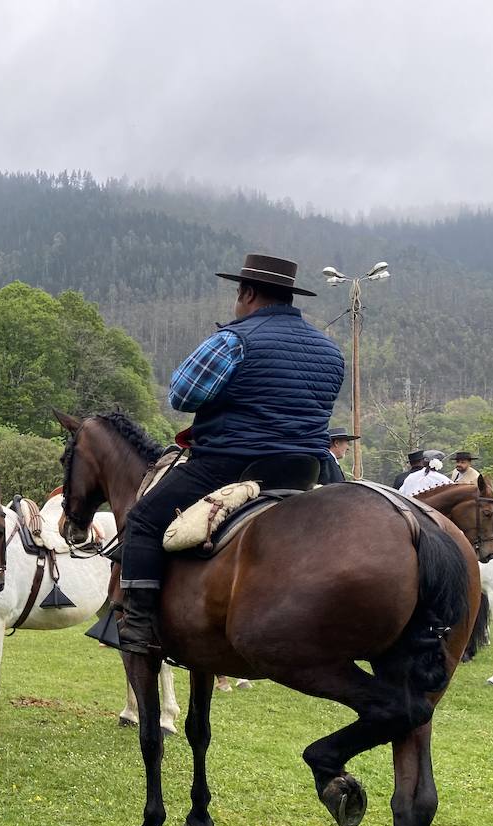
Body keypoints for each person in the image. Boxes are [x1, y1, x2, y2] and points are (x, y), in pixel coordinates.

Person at [113, 254, 343, 655]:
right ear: (289, 297)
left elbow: (183, 396)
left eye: (239, 295)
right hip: (304, 471)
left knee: (143, 521)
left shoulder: (234, 339)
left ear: (248, 293)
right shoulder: (329, 350)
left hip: (232, 464)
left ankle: (138, 627)